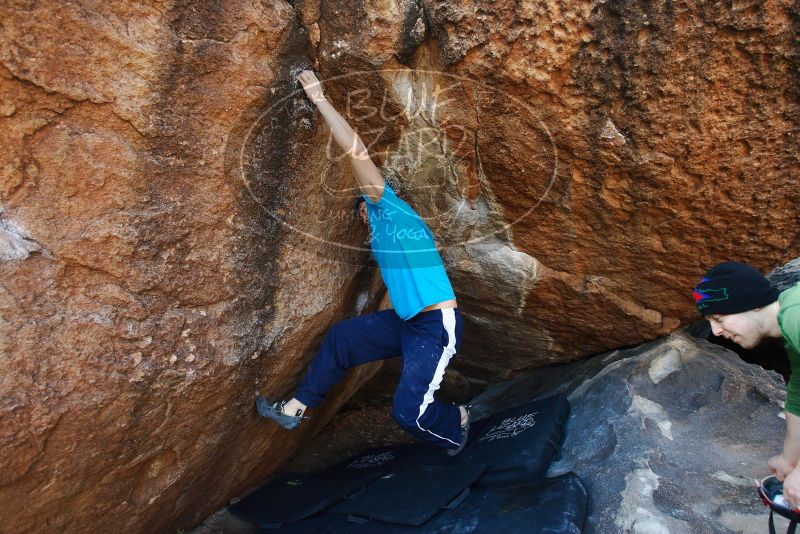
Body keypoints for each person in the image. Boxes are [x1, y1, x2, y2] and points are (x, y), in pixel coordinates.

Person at [255, 70, 470, 455]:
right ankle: (294, 409)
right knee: (342, 338)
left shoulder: (394, 212)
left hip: (435, 326)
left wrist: (320, 99)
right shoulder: (384, 242)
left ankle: (457, 424)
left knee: (409, 414)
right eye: (360, 215)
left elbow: (357, 152)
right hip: (407, 323)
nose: (363, 219)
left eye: (364, 210)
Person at [693, 261, 800, 505]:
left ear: (750, 303)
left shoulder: (796, 315)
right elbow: (798, 395)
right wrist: (789, 458)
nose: (715, 331)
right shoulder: (790, 321)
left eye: (718, 318)